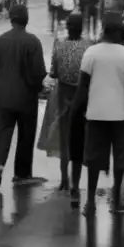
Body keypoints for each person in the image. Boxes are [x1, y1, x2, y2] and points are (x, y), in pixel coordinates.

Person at [70, 12, 124, 216]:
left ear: (104, 30)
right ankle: (116, 200)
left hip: (95, 114)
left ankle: (90, 202)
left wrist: (75, 111)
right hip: (121, 116)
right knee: (120, 160)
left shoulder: (91, 53)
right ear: (120, 32)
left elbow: (82, 87)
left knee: (93, 161)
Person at [0, 5, 47, 191]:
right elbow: (38, 73)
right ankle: (21, 174)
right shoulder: (32, 42)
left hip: (4, 98)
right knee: (25, 135)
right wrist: (40, 88)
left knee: (3, 130)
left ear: (11, 19)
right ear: (26, 20)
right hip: (26, 98)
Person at [47, 13, 91, 202]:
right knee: (78, 141)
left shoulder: (59, 46)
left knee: (64, 140)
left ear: (68, 26)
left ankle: (64, 179)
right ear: (82, 28)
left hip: (63, 98)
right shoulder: (89, 47)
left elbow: (54, 73)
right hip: (83, 101)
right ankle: (75, 184)